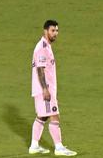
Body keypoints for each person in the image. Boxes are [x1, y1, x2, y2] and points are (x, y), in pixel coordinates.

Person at [29, 19, 75, 156]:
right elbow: (40, 70)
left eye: (57, 31)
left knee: (42, 117)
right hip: (45, 90)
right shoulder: (42, 47)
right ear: (45, 31)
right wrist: (45, 89)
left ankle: (34, 145)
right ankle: (59, 147)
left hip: (45, 89)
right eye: (52, 30)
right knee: (54, 116)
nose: (55, 33)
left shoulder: (46, 45)